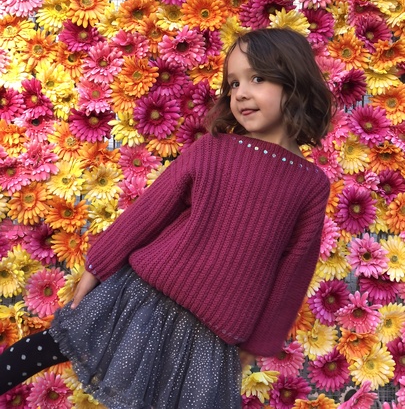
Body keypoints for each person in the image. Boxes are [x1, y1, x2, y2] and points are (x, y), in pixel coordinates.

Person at [0, 28, 334, 408]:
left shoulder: (310, 185)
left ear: (294, 83)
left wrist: (260, 343)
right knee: (50, 346)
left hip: (213, 336)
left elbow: (294, 269)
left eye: (257, 79)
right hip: (143, 297)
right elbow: (151, 210)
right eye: (233, 83)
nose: (241, 93)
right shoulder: (213, 149)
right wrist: (97, 265)